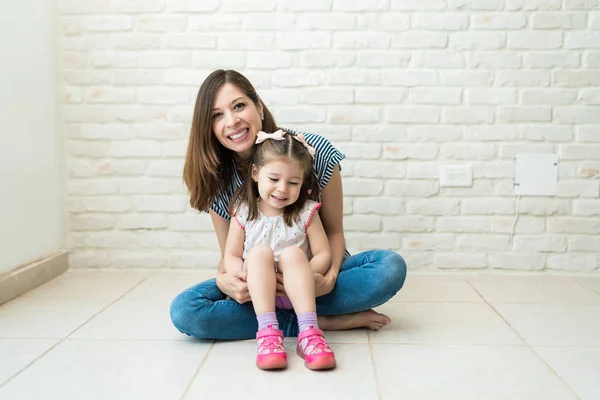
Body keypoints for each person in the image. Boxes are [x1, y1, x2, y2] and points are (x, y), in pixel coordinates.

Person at [170, 69, 407, 342]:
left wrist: (327, 279)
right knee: (185, 311)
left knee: (389, 267)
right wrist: (225, 279)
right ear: (208, 126)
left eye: (239, 106)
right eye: (217, 115)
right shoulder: (215, 179)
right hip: (259, 286)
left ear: (258, 105)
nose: (232, 121)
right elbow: (230, 254)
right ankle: (318, 322)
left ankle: (294, 315)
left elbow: (334, 233)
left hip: (314, 276)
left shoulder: (312, 152)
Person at [225, 129, 336, 370]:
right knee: (259, 253)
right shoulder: (243, 211)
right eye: (274, 179)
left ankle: (309, 332)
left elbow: (323, 254)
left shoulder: (306, 211)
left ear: (302, 181)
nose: (282, 189)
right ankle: (268, 333)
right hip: (257, 296)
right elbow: (231, 256)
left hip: (299, 294)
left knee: (294, 255)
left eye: (293, 182)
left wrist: (303, 274)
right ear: (255, 173)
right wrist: (241, 277)